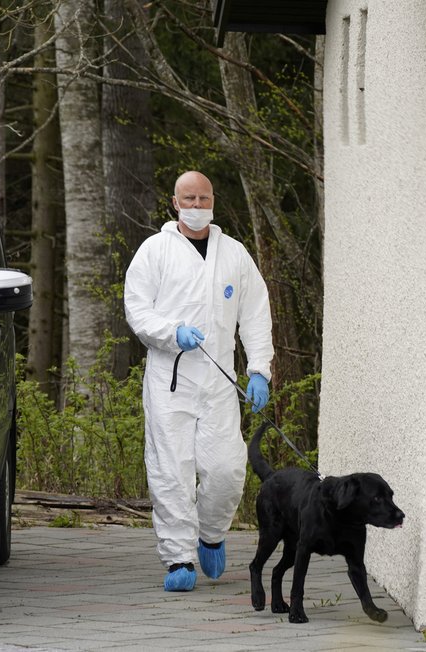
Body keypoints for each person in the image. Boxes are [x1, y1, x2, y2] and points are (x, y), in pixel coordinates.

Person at [123, 170, 274, 592]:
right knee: (171, 468)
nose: (195, 206)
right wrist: (173, 334)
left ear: (213, 201)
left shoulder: (234, 254)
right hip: (170, 379)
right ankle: (179, 559)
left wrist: (259, 369)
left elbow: (256, 313)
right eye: (188, 199)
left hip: (220, 378)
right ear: (174, 203)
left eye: (202, 198)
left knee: (226, 468)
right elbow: (137, 309)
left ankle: (211, 533)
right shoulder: (154, 251)